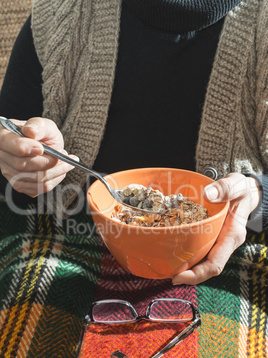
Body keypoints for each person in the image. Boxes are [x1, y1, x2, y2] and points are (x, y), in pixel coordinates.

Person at [0, 0, 267, 286]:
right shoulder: (58, 13)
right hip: (61, 241)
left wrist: (260, 195)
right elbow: (10, 172)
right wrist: (20, 157)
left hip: (232, 254)